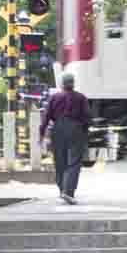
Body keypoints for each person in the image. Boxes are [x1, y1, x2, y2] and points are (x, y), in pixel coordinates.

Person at [39, 73, 90, 204]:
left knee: (60, 161)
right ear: (73, 83)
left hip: (58, 129)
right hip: (76, 129)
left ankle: (62, 190)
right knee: (74, 162)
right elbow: (86, 117)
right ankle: (68, 192)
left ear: (62, 84)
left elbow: (46, 117)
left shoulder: (54, 97)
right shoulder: (81, 98)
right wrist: (84, 133)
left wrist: (42, 134)